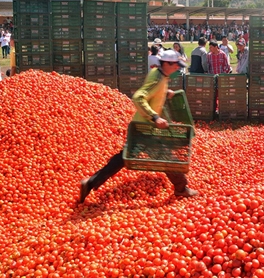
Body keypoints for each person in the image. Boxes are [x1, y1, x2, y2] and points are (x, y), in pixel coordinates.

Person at [79, 50, 198, 203]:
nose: (177, 68)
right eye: (175, 65)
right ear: (166, 64)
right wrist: (155, 117)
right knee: (168, 158)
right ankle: (181, 188)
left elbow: (152, 89)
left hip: (140, 126)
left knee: (123, 158)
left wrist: (165, 92)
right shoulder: (158, 79)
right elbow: (139, 97)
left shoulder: (158, 73)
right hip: (148, 127)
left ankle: (90, 183)